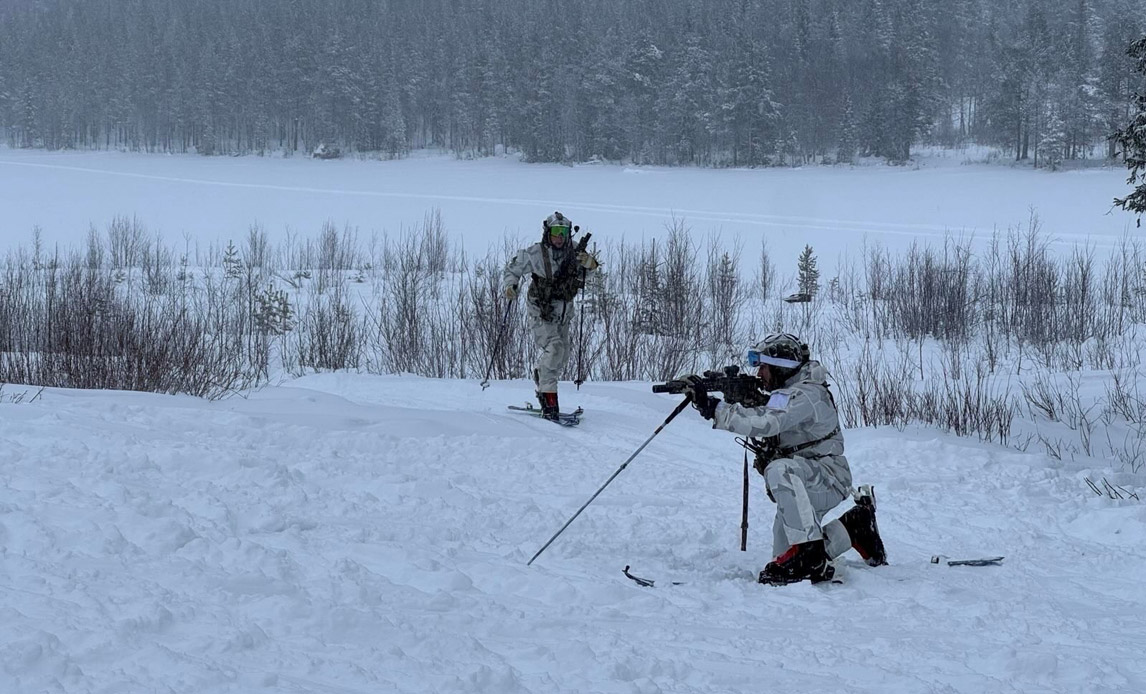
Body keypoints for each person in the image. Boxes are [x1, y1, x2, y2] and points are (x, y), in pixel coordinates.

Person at [679, 332, 887, 585]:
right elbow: (771, 409)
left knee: (781, 471)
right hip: (807, 477)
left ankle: (808, 556)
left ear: (781, 367)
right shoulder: (788, 391)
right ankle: (854, 527)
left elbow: (769, 421)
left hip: (827, 476)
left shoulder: (807, 393)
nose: (759, 375)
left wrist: (714, 408)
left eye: (764, 368)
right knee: (782, 554)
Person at [503, 211, 599, 420]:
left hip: (564, 312)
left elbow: (587, 273)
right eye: (556, 231)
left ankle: (540, 373)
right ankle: (549, 401)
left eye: (564, 232)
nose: (560, 237)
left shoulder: (574, 251)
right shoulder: (536, 253)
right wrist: (510, 286)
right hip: (541, 309)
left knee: (562, 355)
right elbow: (513, 269)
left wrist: (590, 264)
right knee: (554, 349)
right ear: (548, 232)